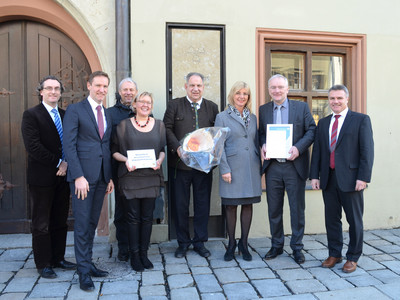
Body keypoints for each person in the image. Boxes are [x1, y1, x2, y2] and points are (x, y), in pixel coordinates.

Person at [310, 84, 374, 273]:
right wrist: (314, 175)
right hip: (328, 178)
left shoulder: (361, 120)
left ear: (347, 99)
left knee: (354, 220)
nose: (335, 102)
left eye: (339, 98)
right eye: (332, 98)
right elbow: (318, 152)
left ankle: (353, 257)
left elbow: (367, 151)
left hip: (352, 179)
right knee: (331, 218)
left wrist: (363, 177)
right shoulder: (323, 123)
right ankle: (334, 253)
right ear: (328, 100)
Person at [63, 71, 114, 291]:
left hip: (101, 177)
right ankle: (83, 273)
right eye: (98, 85)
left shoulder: (106, 112)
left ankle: (88, 263)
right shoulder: (75, 110)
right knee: (83, 226)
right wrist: (78, 176)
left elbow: (106, 145)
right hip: (83, 179)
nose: (102, 90)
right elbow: (69, 145)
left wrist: (109, 176)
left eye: (105, 86)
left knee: (92, 223)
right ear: (89, 85)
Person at [21, 75, 76, 278]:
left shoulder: (65, 114)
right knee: (41, 223)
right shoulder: (31, 115)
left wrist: (67, 163)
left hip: (63, 177)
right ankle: (43, 263)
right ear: (41, 92)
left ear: (61, 93)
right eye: (49, 88)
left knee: (60, 220)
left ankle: (58, 258)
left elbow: (70, 142)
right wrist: (58, 162)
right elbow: (33, 147)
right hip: (42, 178)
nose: (53, 91)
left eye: (57, 88)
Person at [259, 74, 316, 264]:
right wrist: (263, 145)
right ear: (269, 90)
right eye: (273, 87)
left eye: (280, 87)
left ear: (287, 89)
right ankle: (277, 246)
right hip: (273, 166)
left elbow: (312, 130)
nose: (277, 91)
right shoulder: (264, 109)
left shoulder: (301, 107)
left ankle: (297, 248)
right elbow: (261, 134)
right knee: (274, 209)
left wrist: (298, 148)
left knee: (296, 209)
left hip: (294, 166)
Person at [163, 72, 219, 258]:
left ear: (203, 87)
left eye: (199, 86)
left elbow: (215, 135)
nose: (196, 89)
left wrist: (212, 155)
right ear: (186, 86)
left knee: (202, 204)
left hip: (203, 167)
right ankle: (183, 243)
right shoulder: (174, 105)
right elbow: (166, 129)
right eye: (192, 85)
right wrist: (177, 148)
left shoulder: (212, 107)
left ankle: (200, 242)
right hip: (180, 166)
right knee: (180, 205)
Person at [111, 92, 166, 271]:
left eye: (148, 102)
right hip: (130, 178)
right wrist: (126, 160)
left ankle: (144, 254)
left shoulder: (159, 125)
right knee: (133, 218)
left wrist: (159, 161)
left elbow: (162, 150)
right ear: (134, 104)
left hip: (151, 178)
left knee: (147, 218)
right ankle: (134, 256)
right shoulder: (123, 126)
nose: (145, 105)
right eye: (141, 101)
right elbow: (114, 151)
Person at [215, 81, 262, 261]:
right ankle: (231, 244)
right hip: (232, 168)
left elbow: (255, 140)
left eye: (245, 94)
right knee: (231, 205)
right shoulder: (222, 117)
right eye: (238, 93)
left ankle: (244, 243)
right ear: (232, 95)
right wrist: (224, 169)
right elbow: (218, 145)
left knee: (248, 204)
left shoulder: (254, 117)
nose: (242, 96)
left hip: (251, 166)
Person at [107, 78, 138, 262]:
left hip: (141, 171)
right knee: (122, 210)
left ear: (136, 92)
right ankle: (123, 247)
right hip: (119, 169)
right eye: (125, 90)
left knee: (138, 210)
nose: (128, 93)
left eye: (131, 89)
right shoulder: (110, 114)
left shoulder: (142, 111)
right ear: (119, 92)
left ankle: (138, 245)